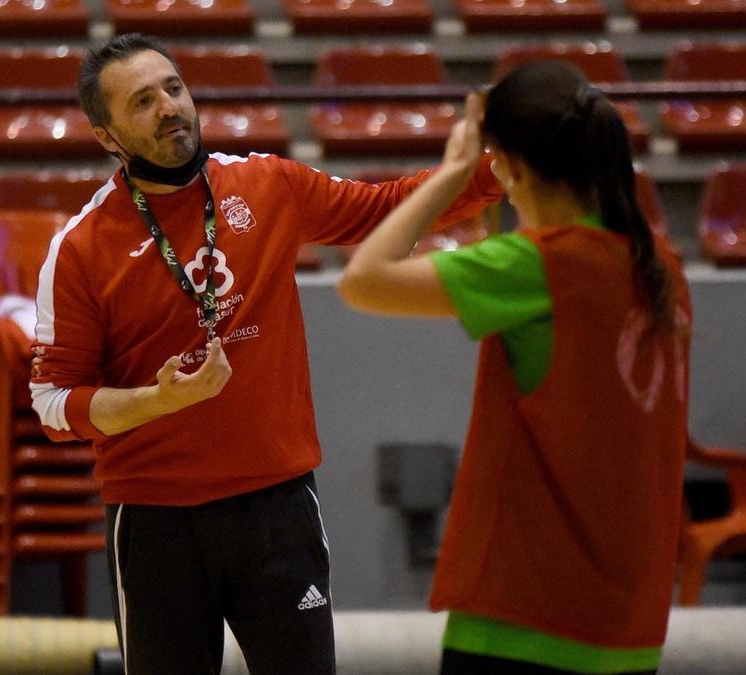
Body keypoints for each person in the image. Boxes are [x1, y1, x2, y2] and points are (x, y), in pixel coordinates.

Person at [28, 33, 503, 674]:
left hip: (277, 506)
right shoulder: (81, 248)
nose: (170, 108)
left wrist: (482, 174)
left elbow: (380, 210)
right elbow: (54, 403)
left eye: (174, 88)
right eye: (142, 101)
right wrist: (155, 402)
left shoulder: (266, 183)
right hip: (156, 522)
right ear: (107, 136)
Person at [337, 61, 692, 674]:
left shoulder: (539, 264)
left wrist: (451, 174)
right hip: (631, 623)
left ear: (510, 165)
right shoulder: (661, 267)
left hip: (527, 612)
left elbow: (363, 279)